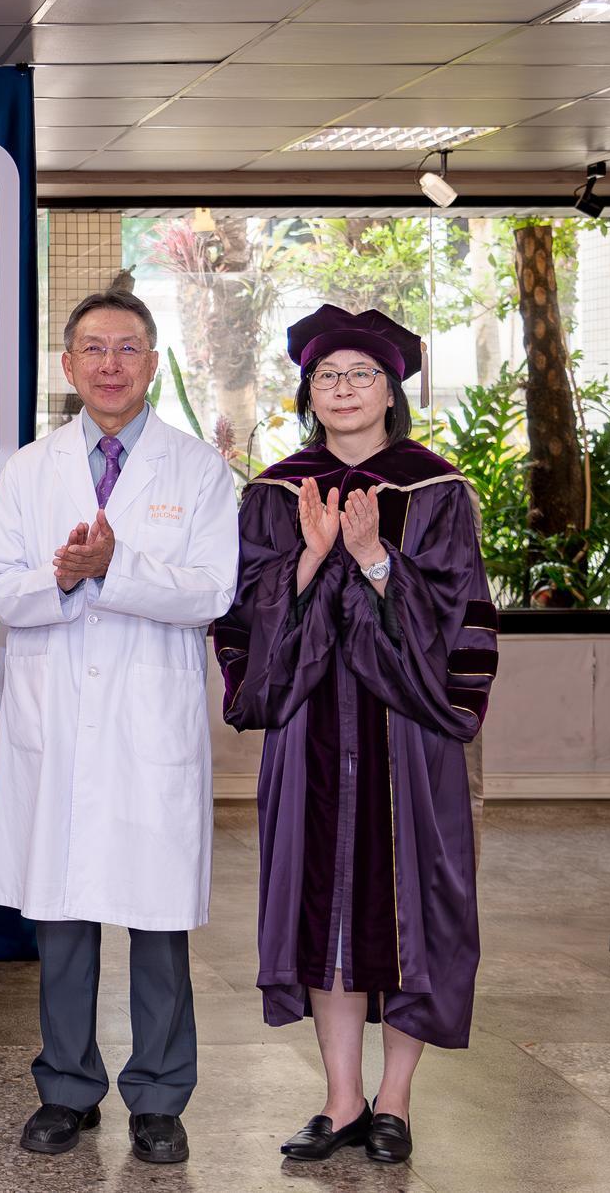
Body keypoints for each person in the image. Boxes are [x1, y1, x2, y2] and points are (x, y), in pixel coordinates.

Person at [216, 305, 492, 1167]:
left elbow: (462, 616)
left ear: (391, 389)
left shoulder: (434, 490)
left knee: (411, 905)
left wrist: (375, 562)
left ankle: (394, 1101)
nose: (342, 390)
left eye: (360, 376)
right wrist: (307, 558)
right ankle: (339, 1099)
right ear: (308, 390)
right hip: (306, 731)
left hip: (406, 735)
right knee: (322, 905)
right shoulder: (276, 491)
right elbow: (242, 617)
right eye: (327, 377)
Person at [0, 288, 238, 1166]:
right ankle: (66, 1088)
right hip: (55, 716)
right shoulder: (27, 470)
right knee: (61, 916)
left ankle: (160, 1096)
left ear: (153, 363)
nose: (110, 365)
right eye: (92, 349)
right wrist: (62, 578)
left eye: (127, 349)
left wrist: (113, 566)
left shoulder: (197, 469)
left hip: (147, 720)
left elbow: (211, 591)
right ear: (67, 364)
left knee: (157, 920)